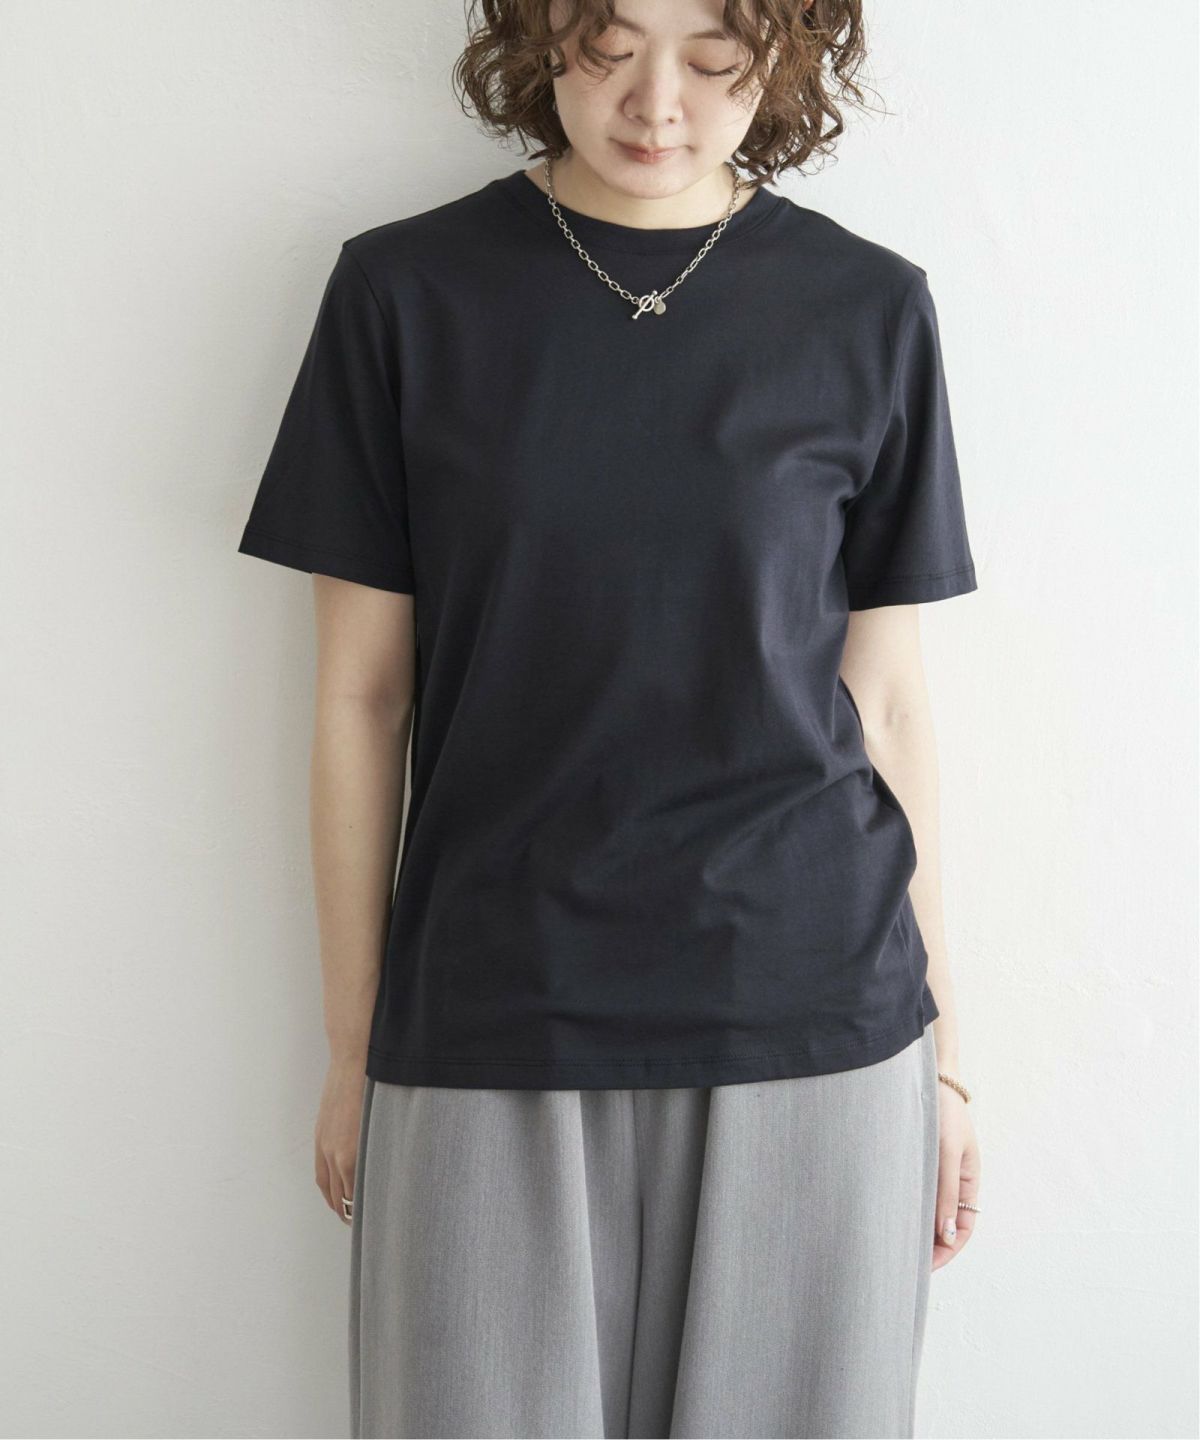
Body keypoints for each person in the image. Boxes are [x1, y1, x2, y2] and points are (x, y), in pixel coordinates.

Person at [236, 0, 984, 1434]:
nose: (657, 103)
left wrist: (949, 1062)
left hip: (813, 1010)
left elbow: (887, 702)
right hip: (490, 1003)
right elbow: (361, 695)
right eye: (610, 44)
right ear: (538, 38)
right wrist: (352, 1045)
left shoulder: (868, 307)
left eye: (713, 60)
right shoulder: (406, 294)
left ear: (783, 59)